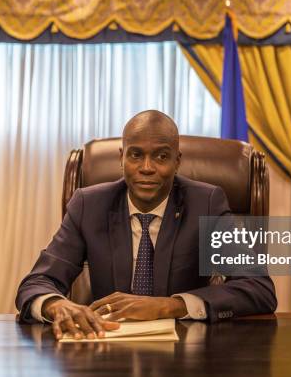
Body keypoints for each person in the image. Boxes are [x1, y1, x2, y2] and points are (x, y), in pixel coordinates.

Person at [16, 110, 277, 339]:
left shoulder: (206, 204)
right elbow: (37, 282)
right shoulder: (89, 205)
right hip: (107, 351)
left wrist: (170, 306)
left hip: (184, 356)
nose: (147, 167)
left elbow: (258, 288)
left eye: (161, 156)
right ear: (122, 158)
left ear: (177, 161)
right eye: (136, 155)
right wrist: (56, 305)